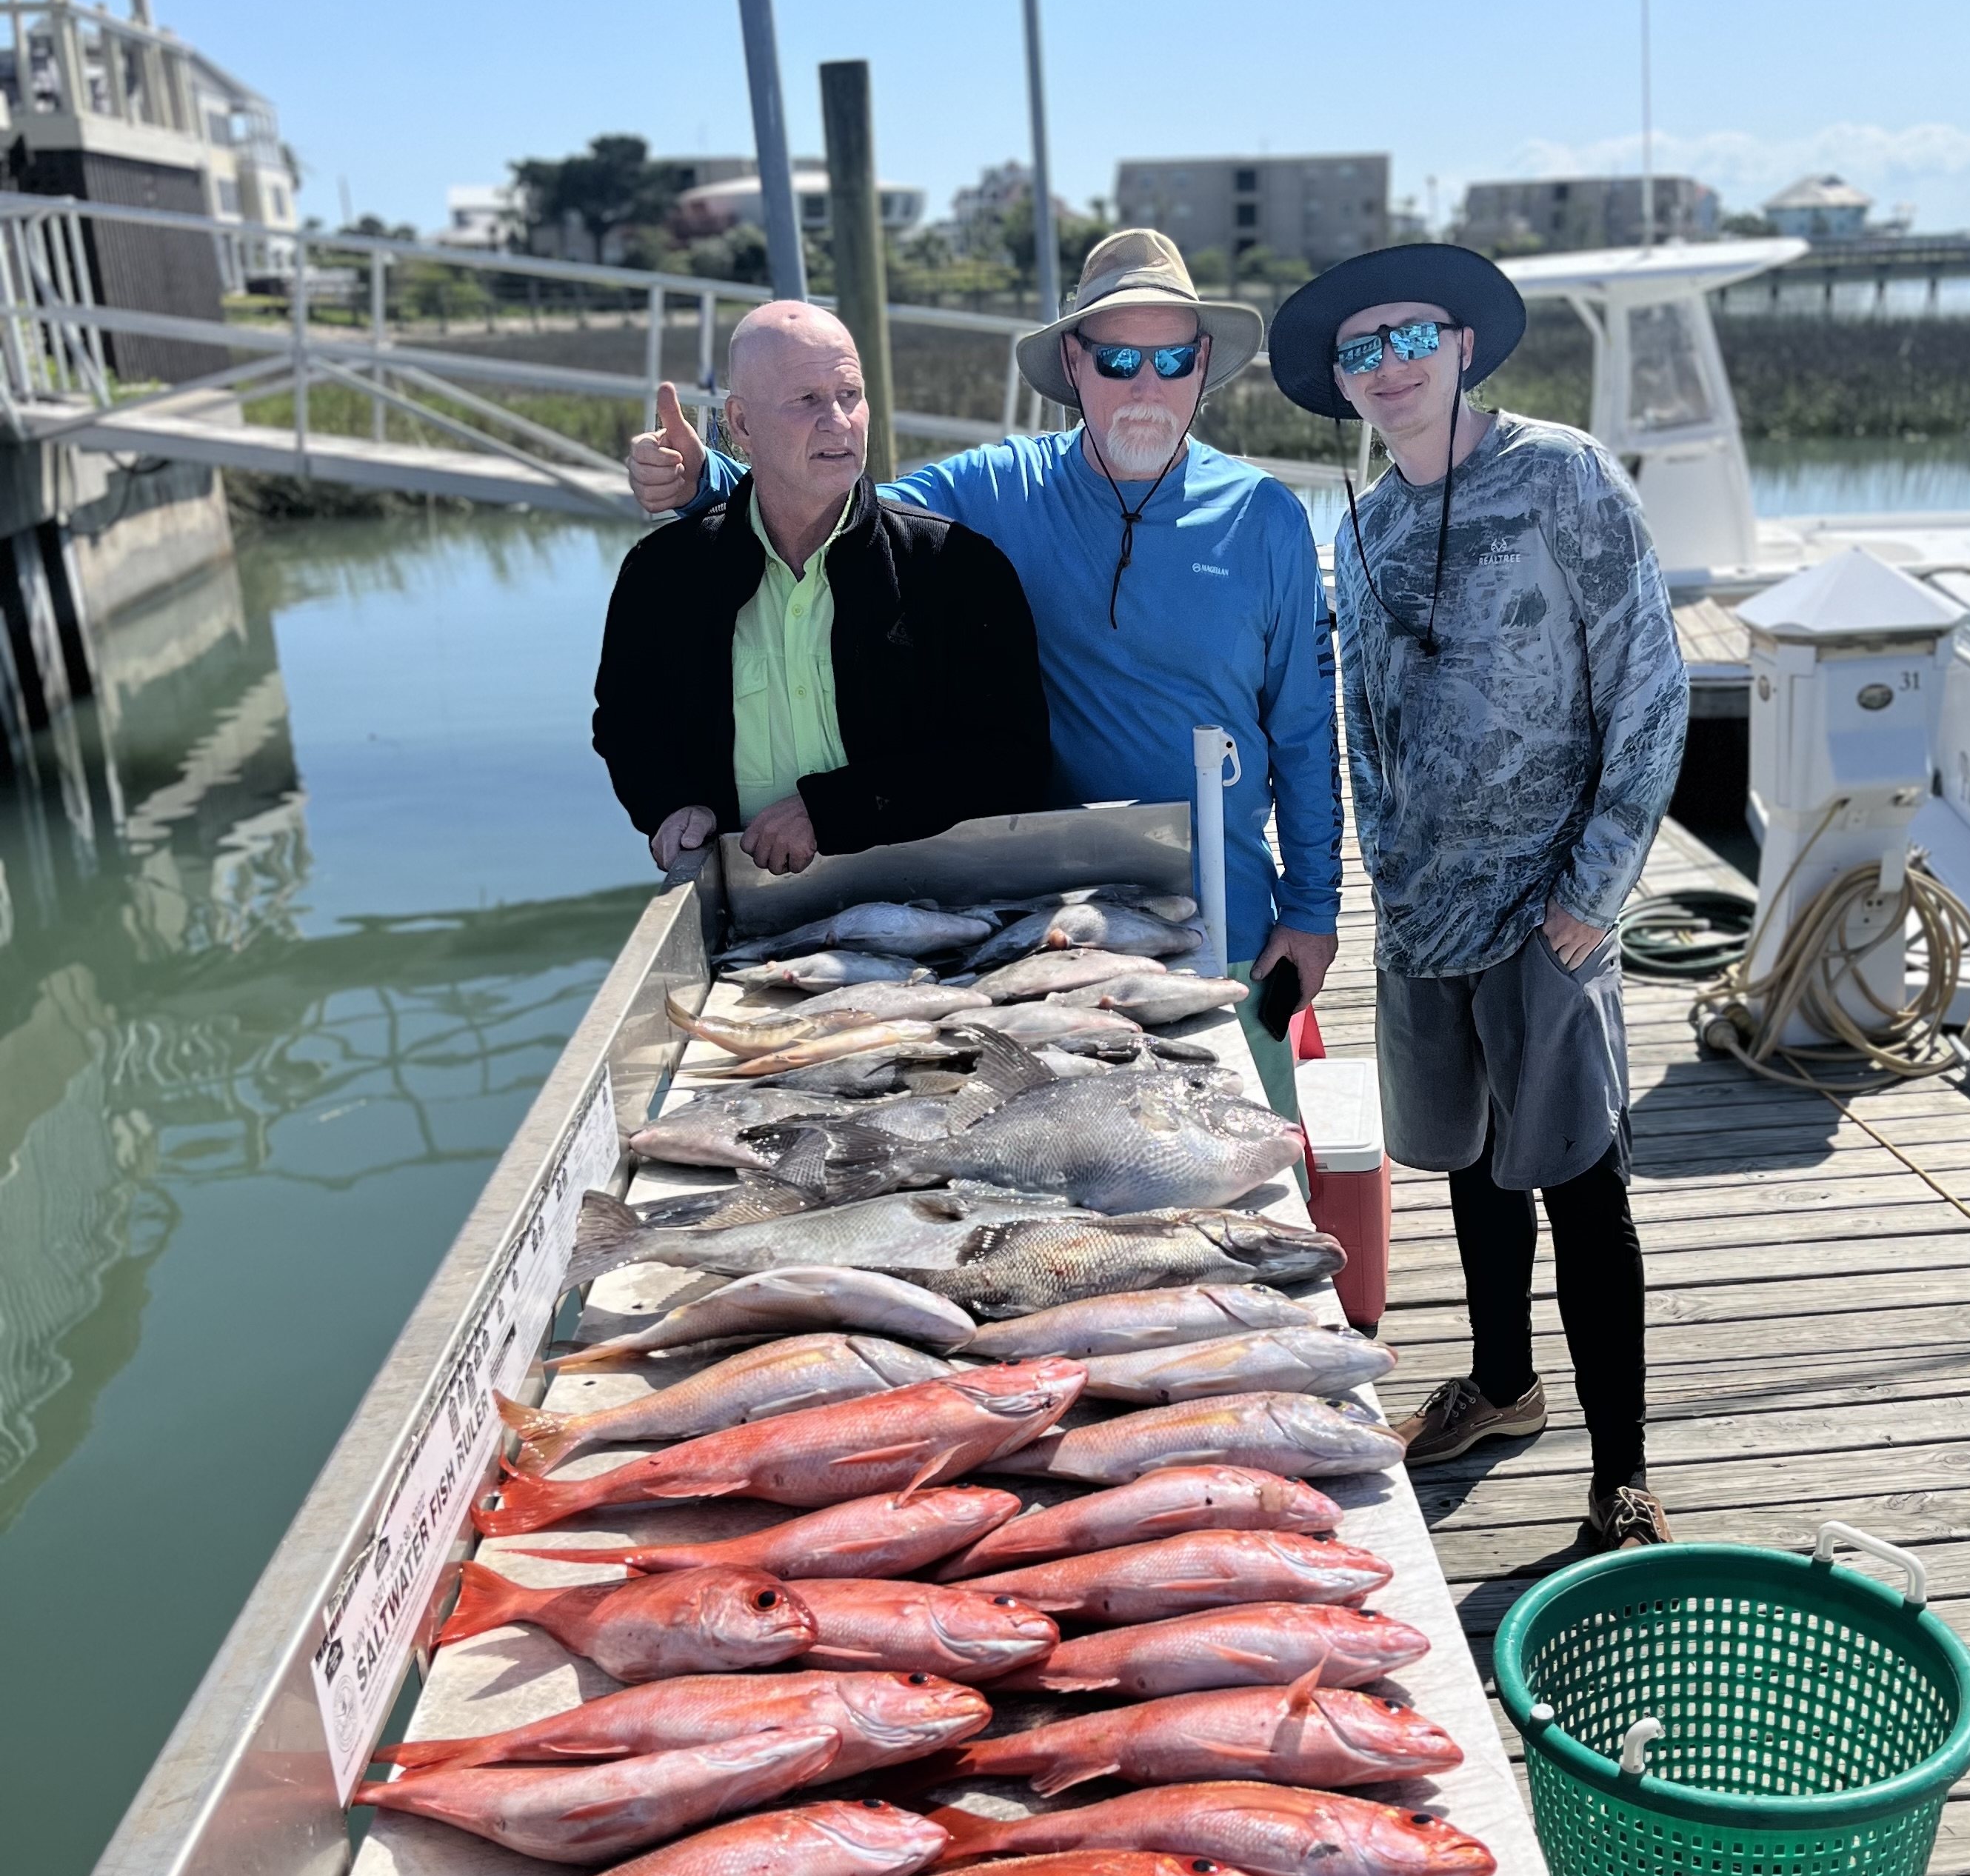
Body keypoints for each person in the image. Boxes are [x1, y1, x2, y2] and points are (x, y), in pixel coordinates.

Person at [629, 232, 1340, 1110]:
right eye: (1118, 358)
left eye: (1173, 358)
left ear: (1204, 365)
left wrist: (1313, 911)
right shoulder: (999, 487)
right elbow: (837, 497)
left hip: (1227, 919)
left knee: (1250, 1179)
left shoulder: (1268, 519)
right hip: (1046, 932)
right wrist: (708, 480)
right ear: (1074, 364)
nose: (1147, 385)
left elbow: (1307, 734)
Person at [1268, 245, 1689, 1559]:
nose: (1384, 365)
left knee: (1577, 1178)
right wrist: (1382, 885)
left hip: (1548, 906)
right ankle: (1501, 1385)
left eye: (1406, 337)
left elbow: (1649, 685)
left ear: (1460, 343)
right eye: (1357, 350)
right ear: (1339, 383)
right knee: (1464, 1162)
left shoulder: (1560, 474)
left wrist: (1594, 885)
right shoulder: (1366, 519)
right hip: (1423, 916)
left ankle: (1619, 1475)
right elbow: (1358, 722)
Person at [595, 299, 1049, 876]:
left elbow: (1014, 762)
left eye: (849, 395)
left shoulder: (958, 569)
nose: (836, 420)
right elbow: (628, 726)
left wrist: (837, 811)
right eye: (806, 399)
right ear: (740, 425)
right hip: (744, 912)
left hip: (940, 905)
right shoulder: (661, 577)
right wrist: (670, 805)